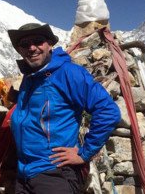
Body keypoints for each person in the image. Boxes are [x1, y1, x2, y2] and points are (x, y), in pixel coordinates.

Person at [7, 23, 121, 193]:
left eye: (38, 41)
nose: (32, 48)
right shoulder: (30, 79)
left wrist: (84, 153)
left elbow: (108, 111)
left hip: (54, 174)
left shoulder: (68, 73)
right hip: (24, 174)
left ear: (50, 44)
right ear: (19, 50)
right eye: (24, 44)